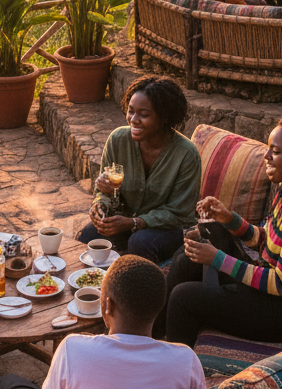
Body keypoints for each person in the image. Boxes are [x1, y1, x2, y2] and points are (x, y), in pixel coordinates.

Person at [161, 114, 282, 348]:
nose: (266, 156)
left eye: (275, 152)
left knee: (183, 297)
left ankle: (174, 363)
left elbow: (281, 284)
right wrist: (229, 219)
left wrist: (217, 259)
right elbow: (266, 242)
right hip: (274, 288)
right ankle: (150, 333)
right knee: (203, 242)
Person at [0, 256, 206, 389]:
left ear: (107, 305)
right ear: (158, 308)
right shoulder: (186, 360)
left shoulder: (73, 348)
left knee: (7, 383)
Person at [77, 76, 200, 264]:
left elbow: (180, 212)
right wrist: (101, 204)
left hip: (170, 229)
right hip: (127, 222)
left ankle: (141, 281)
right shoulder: (118, 141)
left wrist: (136, 222)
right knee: (90, 235)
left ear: (164, 118)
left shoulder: (186, 155)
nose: (133, 120)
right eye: (131, 111)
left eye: (144, 114)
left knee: (140, 241)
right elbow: (106, 193)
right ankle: (94, 281)